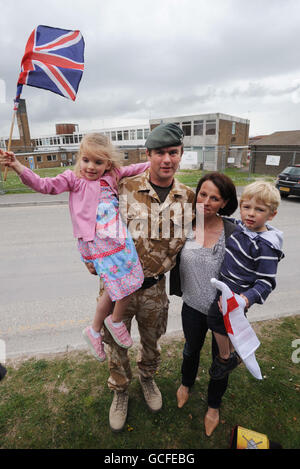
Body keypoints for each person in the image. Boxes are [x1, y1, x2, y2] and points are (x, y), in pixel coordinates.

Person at [0, 134, 150, 360]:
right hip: (98, 245)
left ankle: (95, 330)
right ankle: (115, 321)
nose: (91, 167)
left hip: (120, 243)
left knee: (116, 288)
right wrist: (18, 166)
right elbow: (43, 185)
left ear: (108, 164)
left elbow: (135, 168)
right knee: (126, 286)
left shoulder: (112, 176)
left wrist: (158, 161)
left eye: (98, 162)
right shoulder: (73, 179)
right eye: (86, 160)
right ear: (79, 158)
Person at [87, 123, 194, 432]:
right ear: (148, 154)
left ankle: (147, 380)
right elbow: (89, 218)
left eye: (173, 152)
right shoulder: (123, 187)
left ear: (180, 155)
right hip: (117, 288)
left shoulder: (188, 197)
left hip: (153, 289)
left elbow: (197, 240)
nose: (166, 159)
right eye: (159, 152)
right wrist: (90, 257)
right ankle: (120, 390)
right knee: (115, 344)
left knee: (152, 342)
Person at [170, 171, 238, 437]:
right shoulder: (186, 226)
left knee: (221, 359)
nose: (207, 201)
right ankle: (186, 384)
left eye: (215, 198)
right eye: (202, 194)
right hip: (192, 307)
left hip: (222, 313)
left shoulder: (233, 231)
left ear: (224, 202)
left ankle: (213, 406)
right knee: (190, 350)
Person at [208, 181, 284, 380]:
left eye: (259, 209)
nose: (250, 213)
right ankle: (235, 351)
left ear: (272, 214)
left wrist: (244, 300)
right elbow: (226, 220)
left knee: (215, 318)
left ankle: (226, 358)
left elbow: (266, 283)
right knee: (227, 325)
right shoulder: (241, 227)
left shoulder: (266, 245)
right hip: (225, 286)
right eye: (246, 207)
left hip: (238, 295)